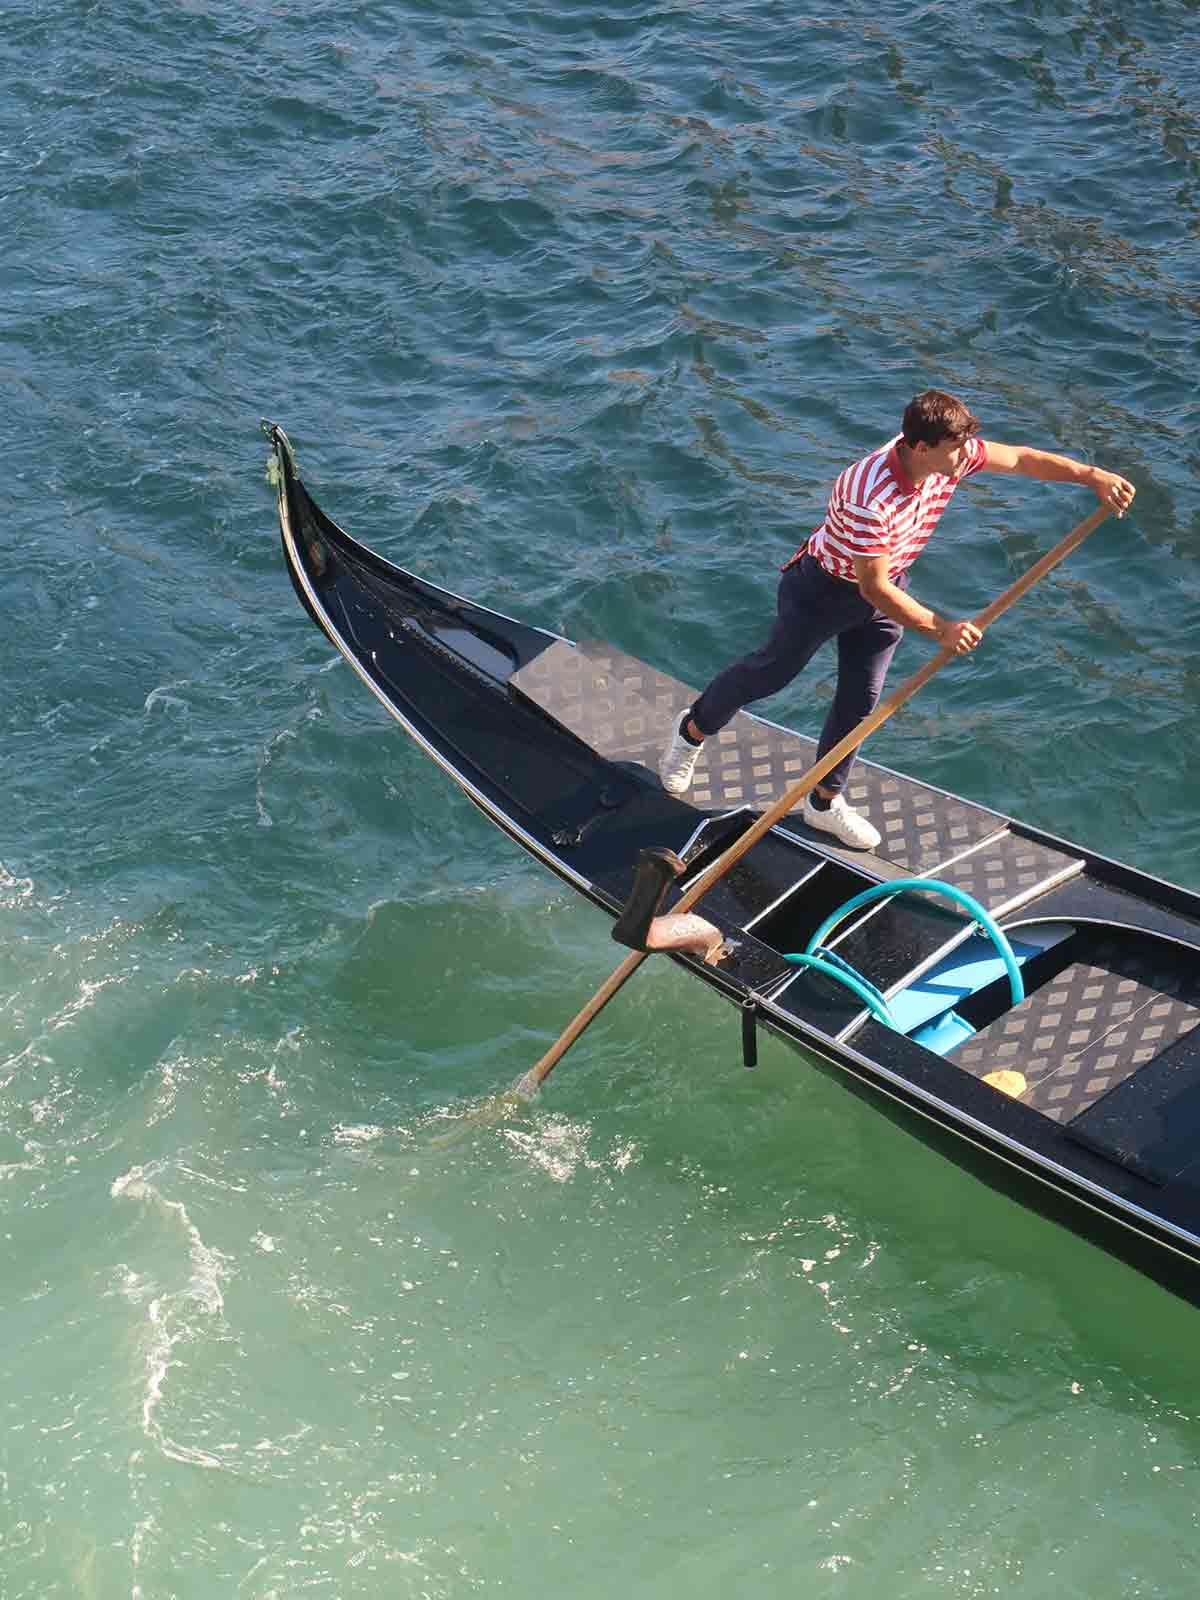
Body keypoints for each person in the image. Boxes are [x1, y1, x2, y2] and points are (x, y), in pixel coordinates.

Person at [658, 389, 1136, 850]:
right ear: (921, 447)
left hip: (887, 589)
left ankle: (823, 802)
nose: (967, 455)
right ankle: (692, 731)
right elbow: (872, 587)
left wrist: (1091, 475)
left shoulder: (950, 457)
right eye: (956, 447)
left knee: (860, 700)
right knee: (770, 673)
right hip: (825, 591)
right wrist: (941, 628)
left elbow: (1021, 459)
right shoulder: (871, 495)